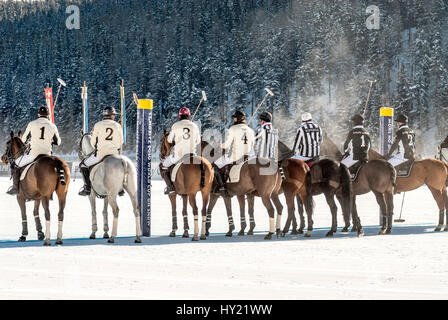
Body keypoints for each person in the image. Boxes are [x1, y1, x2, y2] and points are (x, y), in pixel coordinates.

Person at [7, 106, 61, 195]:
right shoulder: (52, 126)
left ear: (38, 114)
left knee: (14, 165)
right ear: (48, 115)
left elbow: (24, 140)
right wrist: (51, 140)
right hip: (47, 155)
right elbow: (58, 142)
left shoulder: (32, 124)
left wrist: (30, 141)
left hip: (34, 154)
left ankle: (15, 188)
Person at [79, 106, 124, 196]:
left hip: (100, 155)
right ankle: (121, 188)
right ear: (111, 116)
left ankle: (87, 188)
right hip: (114, 155)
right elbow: (121, 142)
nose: (114, 116)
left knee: (83, 165)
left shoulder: (98, 125)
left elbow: (92, 141)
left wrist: (96, 146)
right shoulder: (118, 126)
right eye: (113, 115)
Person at [160, 107, 201, 195]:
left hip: (179, 155)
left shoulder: (175, 125)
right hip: (192, 155)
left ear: (180, 116)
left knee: (164, 165)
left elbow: (170, 140)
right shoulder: (194, 126)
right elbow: (198, 141)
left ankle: (170, 187)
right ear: (189, 116)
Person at [213, 110, 255, 195]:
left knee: (215, 165)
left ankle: (222, 186)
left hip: (236, 156)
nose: (234, 119)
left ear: (238, 118)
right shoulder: (250, 130)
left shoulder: (233, 128)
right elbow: (252, 144)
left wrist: (219, 146)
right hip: (248, 157)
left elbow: (227, 144)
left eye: (235, 118)